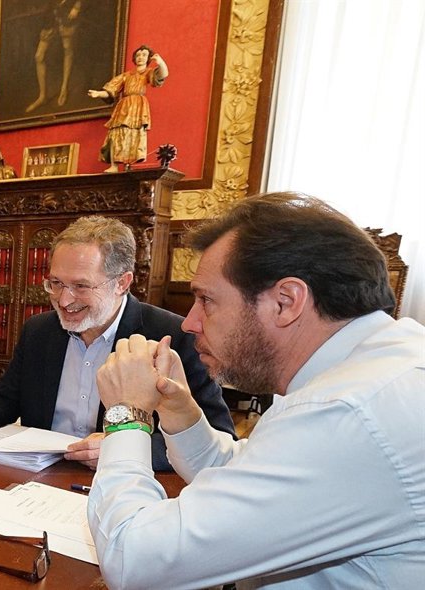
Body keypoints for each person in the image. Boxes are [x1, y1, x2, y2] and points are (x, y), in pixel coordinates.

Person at [89, 193, 424, 588]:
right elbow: (254, 479)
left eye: (206, 300)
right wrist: (180, 412)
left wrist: (127, 413)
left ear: (285, 302)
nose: (189, 323)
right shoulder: (383, 361)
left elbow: (133, 559)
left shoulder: (345, 412)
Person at [0, 216, 234, 471]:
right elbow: (6, 396)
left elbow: (218, 436)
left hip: (125, 485)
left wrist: (124, 447)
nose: (64, 300)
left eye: (81, 286)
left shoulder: (173, 336)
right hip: (38, 481)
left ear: (122, 283)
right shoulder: (39, 330)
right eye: (56, 283)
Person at [88, 44, 168, 172]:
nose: (140, 57)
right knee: (116, 133)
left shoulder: (148, 73)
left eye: (144, 55)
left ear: (148, 58)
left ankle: (128, 164)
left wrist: (160, 62)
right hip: (124, 105)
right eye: (138, 55)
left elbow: (163, 74)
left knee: (134, 133)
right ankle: (114, 165)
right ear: (134, 58)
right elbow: (111, 89)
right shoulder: (126, 75)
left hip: (138, 105)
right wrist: (98, 94)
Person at [25, 0, 83, 113]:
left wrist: (77, 6)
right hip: (51, 12)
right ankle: (42, 96)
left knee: (67, 49)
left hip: (68, 10)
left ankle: (64, 89)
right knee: (39, 56)